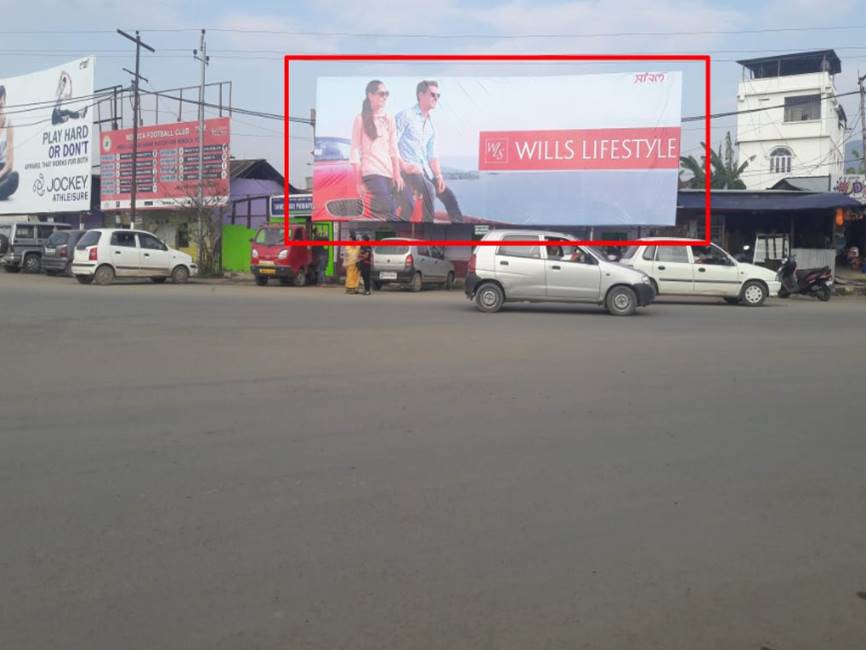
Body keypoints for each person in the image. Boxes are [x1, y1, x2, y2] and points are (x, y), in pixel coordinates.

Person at [395, 80, 463, 224]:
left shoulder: (431, 125)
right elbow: (390, 144)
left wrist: (438, 176)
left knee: (448, 195)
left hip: (425, 170)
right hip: (406, 170)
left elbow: (432, 154)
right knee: (430, 190)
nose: (436, 98)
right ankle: (428, 230)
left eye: (438, 96)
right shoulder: (405, 116)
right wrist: (404, 166)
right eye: (433, 95)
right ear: (420, 95)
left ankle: (459, 228)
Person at [350, 80, 404, 221]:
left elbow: (394, 148)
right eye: (381, 94)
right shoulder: (360, 119)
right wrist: (358, 182)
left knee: (403, 203)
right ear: (370, 95)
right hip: (371, 172)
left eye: (387, 94)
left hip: (388, 171)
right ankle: (394, 241)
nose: (385, 97)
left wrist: (397, 173)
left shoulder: (389, 117)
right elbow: (355, 151)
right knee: (389, 208)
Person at [0, 85, 19, 201]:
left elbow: (10, 162)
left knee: (14, 177)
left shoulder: (9, 123)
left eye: (1, 105)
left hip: (3, 169)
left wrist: (1, 174)